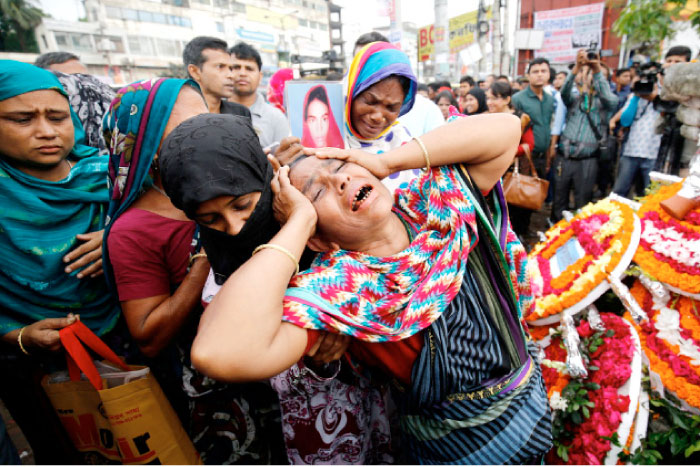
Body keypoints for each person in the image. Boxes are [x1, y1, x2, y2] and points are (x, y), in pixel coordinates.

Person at [189, 112, 552, 464]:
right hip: (456, 451)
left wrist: (387, 162)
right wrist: (298, 224)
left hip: (532, 415)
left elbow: (505, 129)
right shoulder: (339, 290)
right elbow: (217, 353)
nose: (340, 182)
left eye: (340, 167)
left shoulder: (436, 206)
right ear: (316, 238)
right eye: (316, 195)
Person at [159, 113, 393, 464]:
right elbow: (218, 350)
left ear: (264, 176)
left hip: (352, 418)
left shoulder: (327, 229)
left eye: (242, 205)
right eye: (210, 220)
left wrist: (338, 323)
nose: (234, 228)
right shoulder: (212, 254)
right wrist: (298, 224)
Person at [0, 60, 122, 463]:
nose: (47, 131)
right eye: (22, 118)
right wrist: (19, 337)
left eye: (57, 116)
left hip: (122, 341)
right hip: (30, 364)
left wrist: (120, 238)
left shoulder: (107, 175)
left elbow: (166, 229)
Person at [550, 50, 618, 222]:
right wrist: (577, 67)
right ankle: (553, 236)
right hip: (564, 158)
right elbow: (564, 93)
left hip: (588, 160)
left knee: (582, 202)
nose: (592, 77)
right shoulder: (575, 99)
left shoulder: (607, 103)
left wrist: (596, 70)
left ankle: (577, 236)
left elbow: (608, 97)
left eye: (600, 75)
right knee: (559, 200)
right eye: (588, 73)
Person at [487, 81, 535, 239]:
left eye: (495, 98)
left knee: (516, 204)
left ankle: (519, 236)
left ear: (507, 99)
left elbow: (530, 144)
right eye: (488, 98)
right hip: (495, 170)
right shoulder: (490, 118)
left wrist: (508, 151)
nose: (490, 102)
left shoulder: (521, 118)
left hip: (516, 169)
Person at [611, 64, 663, 197]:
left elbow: (666, 116)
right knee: (619, 191)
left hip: (653, 153)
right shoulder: (634, 97)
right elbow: (625, 120)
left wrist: (655, 98)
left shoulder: (664, 96)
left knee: (650, 194)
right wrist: (636, 95)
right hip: (631, 151)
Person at [229, 42, 290, 149]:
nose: (243, 73)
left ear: (260, 76)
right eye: (236, 67)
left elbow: (283, 159)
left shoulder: (276, 118)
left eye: (249, 68)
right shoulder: (212, 111)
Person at [183, 36, 251, 118]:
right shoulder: (178, 114)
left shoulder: (240, 113)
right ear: (195, 72)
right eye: (220, 66)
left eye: (231, 68)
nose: (231, 75)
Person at [301, 84, 343, 149]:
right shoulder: (299, 155)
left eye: (324, 119)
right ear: (306, 123)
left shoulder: (341, 150)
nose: (319, 128)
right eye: (312, 120)